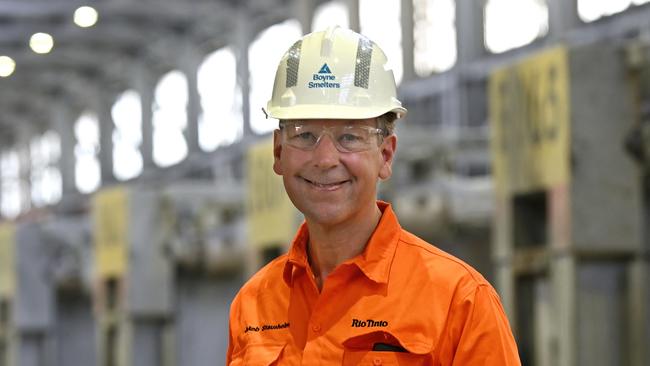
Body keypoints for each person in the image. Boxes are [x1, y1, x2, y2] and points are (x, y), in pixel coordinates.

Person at [227, 26, 520, 365]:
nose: (324, 159)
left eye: (349, 137)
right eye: (304, 135)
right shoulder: (252, 304)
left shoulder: (460, 300)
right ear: (278, 153)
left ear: (385, 155)